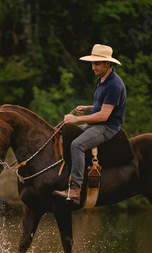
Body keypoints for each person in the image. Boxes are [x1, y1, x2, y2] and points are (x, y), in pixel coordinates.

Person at [54, 44, 127, 205]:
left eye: (97, 64)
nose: (93, 67)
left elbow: (104, 115)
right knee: (64, 133)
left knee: (77, 145)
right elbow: (103, 106)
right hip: (98, 123)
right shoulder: (102, 79)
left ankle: (76, 189)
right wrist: (87, 108)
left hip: (108, 127)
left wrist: (76, 119)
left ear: (107, 64)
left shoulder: (114, 84)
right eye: (92, 63)